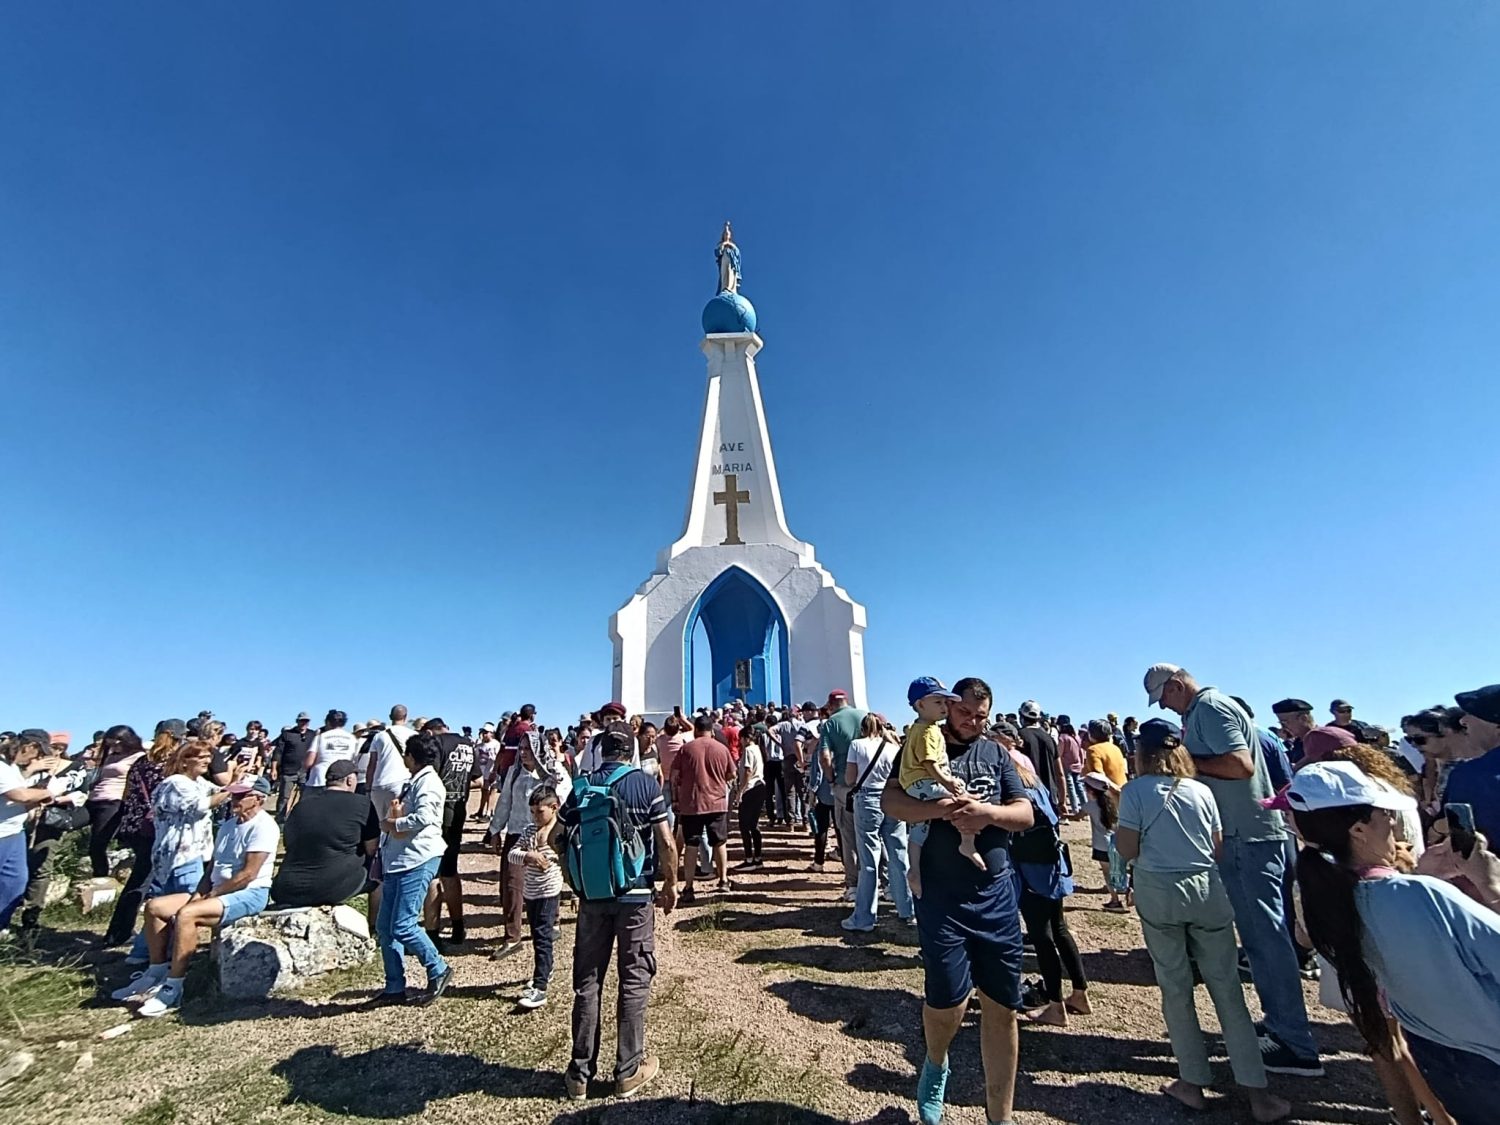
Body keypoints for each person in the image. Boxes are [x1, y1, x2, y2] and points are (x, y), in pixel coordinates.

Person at [1290, 760, 1500, 1125]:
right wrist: (1490, 886)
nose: (1392, 821)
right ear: (1359, 829)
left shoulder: (1326, 903)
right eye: (1384, 814)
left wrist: (1419, 877)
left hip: (1440, 1057)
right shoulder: (1423, 896)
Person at [1144, 663, 1322, 1077]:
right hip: (1255, 832)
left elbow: (1239, 765)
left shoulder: (1208, 708)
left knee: (1264, 939)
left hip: (1247, 835)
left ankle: (1292, 1041)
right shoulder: (1211, 707)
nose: (1167, 708)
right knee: (1266, 937)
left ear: (1175, 685)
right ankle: (1283, 1026)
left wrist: (1187, 763)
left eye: (1165, 697)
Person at [1114, 719, 1289, 1123]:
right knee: (1227, 989)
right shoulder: (1201, 791)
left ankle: (1191, 1081)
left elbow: (1127, 846)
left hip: (1159, 887)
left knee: (1175, 988)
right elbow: (1217, 846)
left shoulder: (1135, 792)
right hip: (1205, 885)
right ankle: (1257, 1093)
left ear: (1142, 752)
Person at [880, 677, 1034, 1125]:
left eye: (981, 717)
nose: (972, 723)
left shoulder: (996, 752)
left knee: (1003, 1007)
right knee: (948, 1001)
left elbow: (1024, 813)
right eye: (966, 713)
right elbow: (892, 800)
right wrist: (942, 810)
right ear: (949, 706)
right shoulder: (922, 742)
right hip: (942, 896)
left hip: (996, 895)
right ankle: (935, 1062)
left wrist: (989, 814)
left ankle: (999, 1115)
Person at [563, 720, 678, 1101]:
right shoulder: (646, 784)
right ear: (631, 750)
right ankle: (628, 1069)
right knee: (633, 979)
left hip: (592, 895)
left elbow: (555, 835)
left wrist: (574, 879)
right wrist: (670, 884)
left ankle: (579, 1073)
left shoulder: (582, 786)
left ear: (600, 750)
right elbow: (665, 841)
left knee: (588, 982)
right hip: (636, 893)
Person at [114, 774, 279, 1017]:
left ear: (259, 799)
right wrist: (199, 894)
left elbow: (248, 874)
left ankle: (174, 987)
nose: (235, 799)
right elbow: (212, 867)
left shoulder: (264, 827)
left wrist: (211, 895)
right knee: (155, 908)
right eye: (234, 794)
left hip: (249, 893)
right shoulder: (227, 825)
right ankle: (156, 971)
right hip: (217, 889)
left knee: (187, 915)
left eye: (242, 796)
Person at [1006, 748, 1088, 1028]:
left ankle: (1055, 1006)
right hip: (1053, 867)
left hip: (1032, 870)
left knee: (1042, 937)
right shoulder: (1036, 784)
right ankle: (1079, 993)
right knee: (1060, 930)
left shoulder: (1016, 792)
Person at [370, 732, 452, 1006]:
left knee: (403, 925)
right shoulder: (414, 781)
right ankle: (394, 985)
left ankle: (438, 968)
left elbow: (426, 817)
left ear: (413, 756)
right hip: (399, 859)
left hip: (417, 858)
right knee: (386, 926)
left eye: (406, 754)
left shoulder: (428, 783)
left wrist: (395, 824)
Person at [489, 730, 569, 958]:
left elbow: (564, 796)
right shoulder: (514, 773)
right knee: (512, 886)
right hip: (517, 833)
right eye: (521, 749)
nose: (524, 753)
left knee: (547, 880)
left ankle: (551, 922)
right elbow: (505, 802)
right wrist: (495, 830)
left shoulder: (553, 772)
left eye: (528, 748)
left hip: (545, 835)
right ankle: (512, 937)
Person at [899, 678, 977, 900]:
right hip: (924, 782)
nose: (944, 707)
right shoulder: (927, 731)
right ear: (920, 704)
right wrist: (948, 783)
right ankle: (967, 844)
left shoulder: (918, 728)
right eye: (938, 702)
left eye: (945, 702)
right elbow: (928, 762)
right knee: (965, 803)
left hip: (914, 784)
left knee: (918, 831)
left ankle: (914, 870)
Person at [102, 725, 180, 946]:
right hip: (157, 827)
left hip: (135, 825)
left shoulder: (140, 761)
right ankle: (123, 933)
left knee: (141, 877)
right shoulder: (172, 764)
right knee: (144, 880)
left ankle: (119, 931)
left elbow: (127, 792)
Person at [269, 759, 379, 907]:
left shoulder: (302, 804)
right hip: (333, 888)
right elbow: (372, 849)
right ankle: (375, 927)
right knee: (380, 875)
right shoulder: (362, 804)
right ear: (349, 780)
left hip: (286, 887)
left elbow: (288, 842)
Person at [842, 713, 912, 932]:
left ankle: (864, 917)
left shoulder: (857, 745)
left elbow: (850, 779)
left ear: (863, 728)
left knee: (869, 860)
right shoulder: (893, 748)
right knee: (899, 855)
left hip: (868, 798)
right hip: (892, 798)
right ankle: (907, 909)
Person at [508, 787, 564, 1010]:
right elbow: (513, 854)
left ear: (553, 808)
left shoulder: (561, 832)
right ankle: (546, 968)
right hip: (530, 892)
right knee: (538, 934)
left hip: (549, 891)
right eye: (532, 812)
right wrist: (528, 855)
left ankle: (539, 987)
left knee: (542, 936)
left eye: (539, 812)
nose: (535, 817)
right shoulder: (530, 830)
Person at [421, 718, 476, 945]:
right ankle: (457, 927)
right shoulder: (466, 745)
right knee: (451, 870)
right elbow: (479, 779)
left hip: (438, 812)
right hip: (458, 810)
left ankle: (432, 932)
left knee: (433, 872)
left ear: (430, 732)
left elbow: (429, 777)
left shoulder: (436, 744)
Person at [670, 715, 735, 902]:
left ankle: (689, 887)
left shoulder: (685, 749)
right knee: (720, 842)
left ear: (696, 730)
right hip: (717, 802)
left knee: (691, 845)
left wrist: (677, 796)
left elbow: (674, 776)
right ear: (712, 731)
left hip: (692, 803)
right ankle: (723, 880)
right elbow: (731, 774)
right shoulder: (722, 749)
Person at [1, 733, 61, 936]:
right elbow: (19, 795)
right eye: (37, 755)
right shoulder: (0, 766)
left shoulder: (11, 768)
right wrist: (50, 793)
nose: (36, 760)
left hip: (13, 832)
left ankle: (1, 925)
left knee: (15, 881)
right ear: (29, 746)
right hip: (1, 833)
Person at [819, 690, 869, 898]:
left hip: (844, 785)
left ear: (831, 704)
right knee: (873, 834)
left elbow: (824, 757)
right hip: (871, 784)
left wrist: (830, 780)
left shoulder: (830, 723)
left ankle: (854, 886)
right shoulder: (865, 716)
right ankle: (884, 883)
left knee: (848, 837)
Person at [1440, 683, 1500, 844]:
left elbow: (1464, 847)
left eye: (1473, 713)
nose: (1463, 720)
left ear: (1497, 725)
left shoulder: (1471, 775)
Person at [84, 726, 145, 877]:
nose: (114, 747)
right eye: (111, 744)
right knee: (65, 823)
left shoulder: (139, 757)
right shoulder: (110, 756)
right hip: (94, 798)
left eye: (118, 744)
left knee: (98, 843)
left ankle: (100, 876)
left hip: (114, 802)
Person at [1082, 772, 1128, 911]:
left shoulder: (1090, 805)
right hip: (1118, 841)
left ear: (1090, 790)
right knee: (1119, 870)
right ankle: (1127, 890)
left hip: (1101, 844)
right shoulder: (1114, 802)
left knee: (1107, 873)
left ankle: (1115, 900)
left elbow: (1077, 816)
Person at [268, 712, 316, 825]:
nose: (304, 723)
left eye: (306, 721)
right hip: (288, 770)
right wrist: (274, 768)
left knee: (305, 798)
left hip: (306, 772)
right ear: (297, 721)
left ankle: (300, 821)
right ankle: (280, 822)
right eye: (302, 720)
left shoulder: (313, 735)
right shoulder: (287, 734)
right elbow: (278, 753)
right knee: (284, 797)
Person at [1017, 700, 1063, 812]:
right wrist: (1062, 801)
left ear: (1021, 716)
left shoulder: (1018, 737)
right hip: (1050, 795)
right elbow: (1059, 772)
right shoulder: (1049, 739)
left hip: (1029, 794)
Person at [734, 721, 767, 869]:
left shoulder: (748, 750)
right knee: (753, 825)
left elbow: (747, 772)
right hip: (759, 787)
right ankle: (757, 857)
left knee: (745, 825)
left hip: (751, 789)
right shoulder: (757, 749)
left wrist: (740, 792)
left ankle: (749, 858)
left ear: (746, 738)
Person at [304, 710, 357, 788]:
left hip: (318, 780)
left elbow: (308, 763)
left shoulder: (320, 737)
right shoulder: (353, 739)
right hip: (341, 783)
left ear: (328, 722)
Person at [1083, 719, 1127, 789]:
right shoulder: (1115, 748)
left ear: (1091, 734)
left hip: (1111, 795)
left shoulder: (1093, 750)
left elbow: (1099, 779)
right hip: (1124, 790)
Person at [1056, 718, 1085, 816]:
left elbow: (1059, 753)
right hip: (1077, 765)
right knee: (1079, 787)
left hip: (1067, 766)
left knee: (1070, 788)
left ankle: (1075, 808)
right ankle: (1085, 807)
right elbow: (1081, 751)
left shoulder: (1062, 738)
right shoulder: (1075, 738)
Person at [474, 723, 500, 821]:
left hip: (492, 770)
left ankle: (489, 812)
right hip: (482, 772)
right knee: (484, 791)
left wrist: (495, 770)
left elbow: (497, 758)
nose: (484, 734)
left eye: (486, 732)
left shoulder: (496, 744)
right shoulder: (479, 746)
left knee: (492, 790)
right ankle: (481, 810)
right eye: (483, 732)